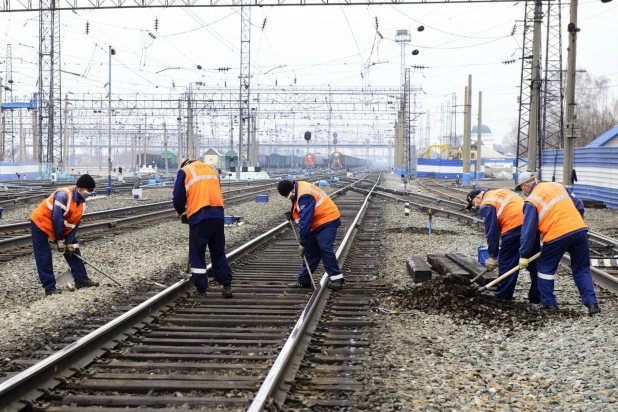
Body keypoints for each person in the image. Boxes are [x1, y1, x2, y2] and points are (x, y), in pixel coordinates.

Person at [515, 172, 600, 315]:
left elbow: (528, 231)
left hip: (556, 235)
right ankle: (592, 304)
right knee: (581, 268)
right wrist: (575, 224)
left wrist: (524, 254)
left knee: (545, 268)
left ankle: (549, 304)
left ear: (526, 185)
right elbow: (579, 205)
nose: (523, 192)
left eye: (521, 189)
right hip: (579, 230)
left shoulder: (531, 201)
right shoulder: (558, 186)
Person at [466, 188, 541, 305]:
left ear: (478, 197)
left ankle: (503, 297)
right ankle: (537, 297)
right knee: (535, 263)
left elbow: (492, 232)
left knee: (507, 263)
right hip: (531, 225)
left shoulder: (486, 203)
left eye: (475, 204)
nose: (477, 207)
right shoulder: (500, 193)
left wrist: (492, 256)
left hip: (514, 227)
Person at [30, 174, 100, 296]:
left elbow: (73, 225)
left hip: (57, 226)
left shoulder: (82, 204)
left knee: (73, 249)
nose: (89, 193)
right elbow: (57, 219)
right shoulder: (63, 195)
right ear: (80, 188)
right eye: (89, 191)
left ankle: (81, 279)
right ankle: (50, 288)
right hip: (41, 223)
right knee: (44, 255)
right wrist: (60, 240)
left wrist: (69, 241)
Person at [173, 159, 233, 298]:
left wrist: (179, 210)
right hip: (218, 215)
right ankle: (227, 285)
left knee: (198, 253)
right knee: (218, 252)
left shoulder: (185, 171)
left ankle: (201, 290)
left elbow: (178, 196)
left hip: (199, 216)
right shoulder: (212, 169)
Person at [277, 179, 345, 291]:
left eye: (287, 196)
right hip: (316, 222)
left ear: (292, 190)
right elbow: (300, 209)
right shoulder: (297, 190)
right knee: (311, 251)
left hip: (327, 220)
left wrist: (303, 242)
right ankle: (304, 281)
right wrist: (293, 216)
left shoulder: (305, 194)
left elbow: (306, 220)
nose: (287, 198)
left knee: (325, 248)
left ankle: (337, 279)